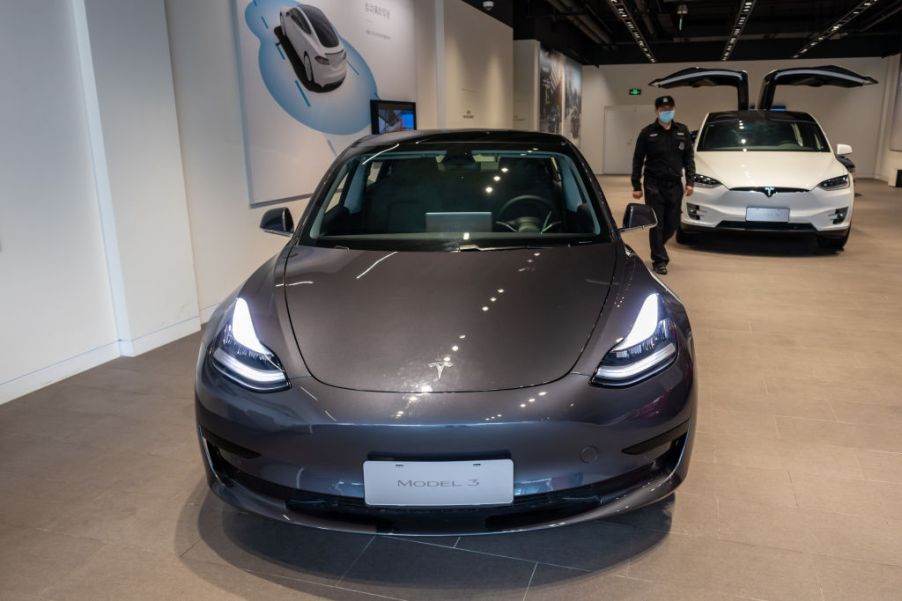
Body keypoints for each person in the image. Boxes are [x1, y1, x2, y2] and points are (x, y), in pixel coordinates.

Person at [631, 95, 696, 275]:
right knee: (656, 224)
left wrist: (690, 180)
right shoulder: (647, 133)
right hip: (654, 184)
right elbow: (638, 159)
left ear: (673, 109)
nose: (666, 112)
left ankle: (659, 247)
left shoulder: (682, 131)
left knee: (673, 223)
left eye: (669, 109)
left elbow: (689, 158)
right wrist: (636, 185)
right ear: (656, 111)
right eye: (662, 109)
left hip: (674, 185)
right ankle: (659, 260)